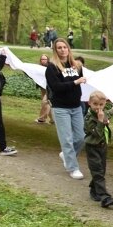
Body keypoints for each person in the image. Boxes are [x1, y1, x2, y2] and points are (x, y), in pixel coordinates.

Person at [46, 37, 86, 179]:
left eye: (65, 47)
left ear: (68, 48)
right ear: (55, 50)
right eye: (59, 48)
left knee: (81, 137)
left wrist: (80, 81)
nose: (63, 50)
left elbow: (80, 81)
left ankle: (66, 155)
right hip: (61, 108)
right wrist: (75, 82)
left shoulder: (75, 65)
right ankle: (73, 168)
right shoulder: (52, 67)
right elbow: (56, 87)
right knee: (67, 139)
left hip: (76, 107)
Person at [84, 90, 113, 208]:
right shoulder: (89, 118)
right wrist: (100, 121)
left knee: (101, 170)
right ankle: (105, 198)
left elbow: (107, 114)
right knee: (98, 172)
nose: (98, 107)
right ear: (89, 103)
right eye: (95, 104)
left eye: (101, 105)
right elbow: (97, 134)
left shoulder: (102, 113)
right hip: (92, 147)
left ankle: (94, 190)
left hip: (102, 146)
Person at [35, 54, 54, 124]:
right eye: (42, 59)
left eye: (44, 59)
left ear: (47, 60)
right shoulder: (39, 67)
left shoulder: (50, 67)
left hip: (49, 88)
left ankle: (42, 118)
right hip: (42, 88)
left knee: (45, 102)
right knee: (47, 103)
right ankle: (53, 119)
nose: (43, 61)